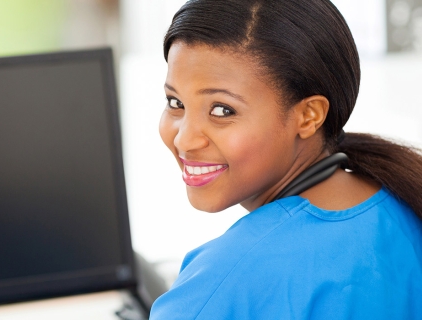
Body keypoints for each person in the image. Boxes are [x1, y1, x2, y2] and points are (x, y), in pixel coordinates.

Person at [149, 0, 422, 319]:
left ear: (309, 116)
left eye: (222, 110)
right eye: (175, 102)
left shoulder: (224, 285)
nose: (184, 138)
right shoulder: (400, 201)